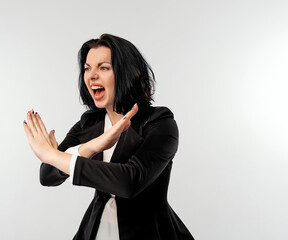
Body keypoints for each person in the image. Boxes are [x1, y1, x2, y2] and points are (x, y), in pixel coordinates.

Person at [23, 34, 194, 240]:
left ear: (129, 73)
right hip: (95, 228)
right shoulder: (89, 123)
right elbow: (48, 175)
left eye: (103, 67)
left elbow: (129, 181)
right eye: (87, 68)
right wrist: (91, 147)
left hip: (149, 231)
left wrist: (50, 154)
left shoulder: (159, 122)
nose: (91, 76)